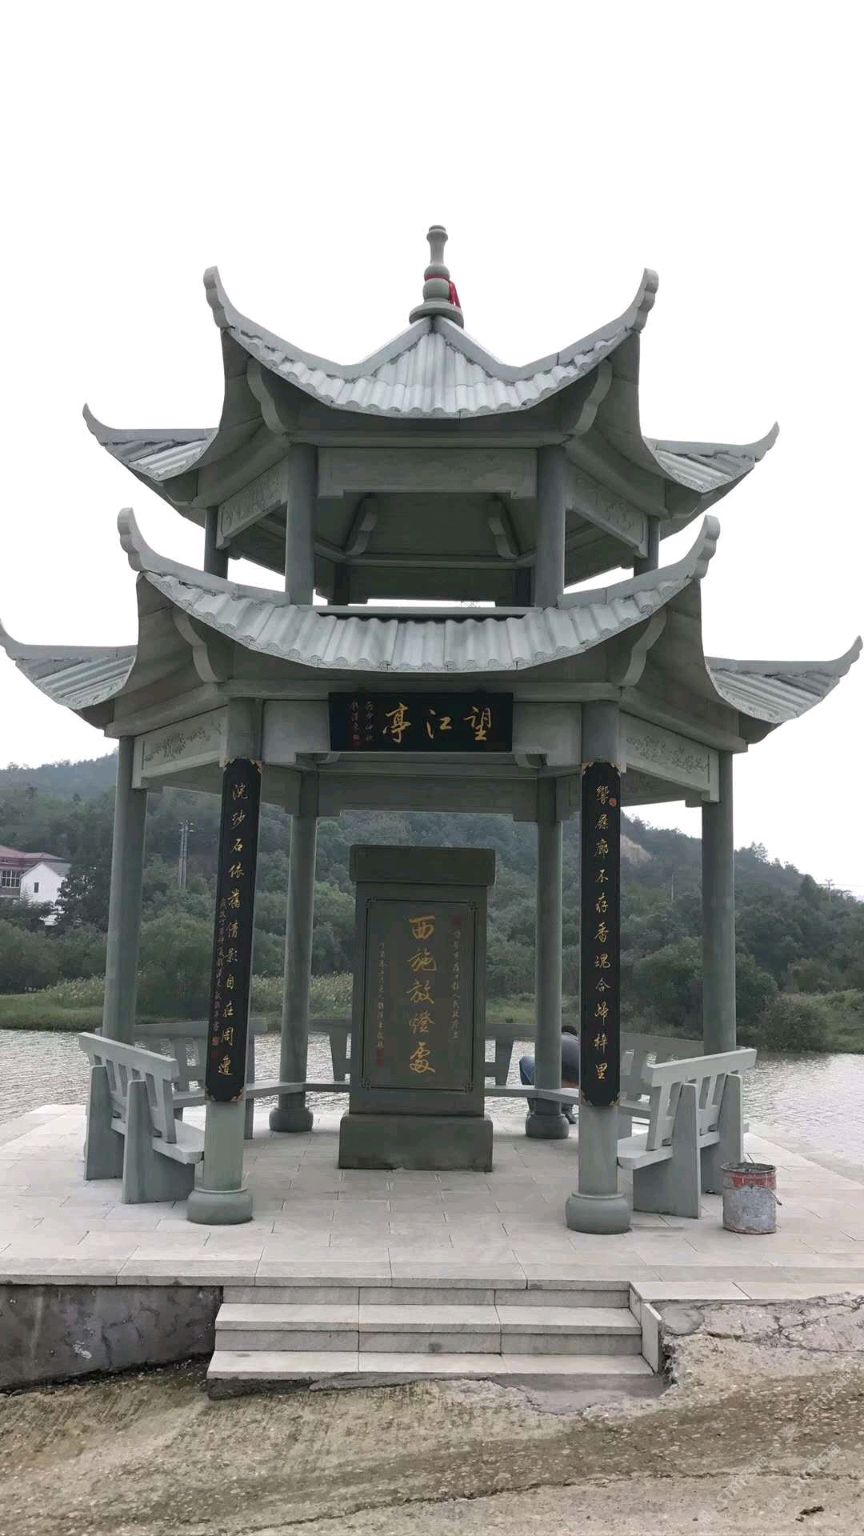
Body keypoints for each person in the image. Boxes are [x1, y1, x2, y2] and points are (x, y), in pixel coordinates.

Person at [519, 1025, 580, 1123]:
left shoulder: (553, 1039)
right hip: (575, 1088)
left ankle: (534, 1109)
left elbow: (540, 1059)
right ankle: (567, 1110)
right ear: (575, 1035)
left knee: (524, 1060)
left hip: (547, 1082)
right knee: (572, 1073)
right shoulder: (580, 1044)